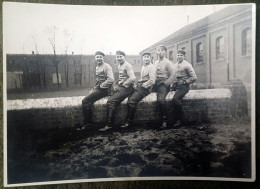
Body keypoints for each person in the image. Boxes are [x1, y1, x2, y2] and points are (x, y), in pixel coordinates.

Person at [99, 50, 136, 131]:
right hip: (122, 86)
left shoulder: (128, 65)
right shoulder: (120, 65)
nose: (119, 58)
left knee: (111, 101)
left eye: (120, 57)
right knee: (110, 98)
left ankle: (109, 125)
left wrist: (124, 84)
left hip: (128, 88)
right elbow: (123, 76)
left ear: (124, 57)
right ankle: (109, 123)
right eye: (117, 57)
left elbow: (133, 78)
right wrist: (119, 81)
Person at [78, 51, 114, 130]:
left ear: (103, 58)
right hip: (99, 88)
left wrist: (101, 86)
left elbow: (111, 79)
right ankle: (88, 123)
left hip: (106, 89)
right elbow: (98, 80)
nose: (99, 59)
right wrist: (93, 89)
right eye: (97, 57)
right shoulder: (97, 67)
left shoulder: (107, 66)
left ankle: (88, 124)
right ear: (95, 58)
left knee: (85, 101)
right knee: (88, 99)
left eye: (100, 57)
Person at [120, 52, 156, 128]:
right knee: (129, 97)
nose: (146, 58)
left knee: (132, 101)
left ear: (150, 58)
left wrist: (143, 85)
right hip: (141, 86)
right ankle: (127, 119)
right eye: (144, 57)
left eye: (147, 57)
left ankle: (130, 122)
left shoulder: (152, 67)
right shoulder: (144, 66)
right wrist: (138, 83)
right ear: (143, 59)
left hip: (146, 88)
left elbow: (152, 81)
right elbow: (143, 78)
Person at [171, 48, 197, 126]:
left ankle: (179, 119)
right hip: (176, 85)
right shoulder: (175, 65)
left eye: (181, 55)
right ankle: (169, 119)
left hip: (184, 86)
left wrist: (185, 82)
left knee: (175, 100)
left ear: (184, 56)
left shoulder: (187, 65)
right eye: (178, 55)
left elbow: (194, 77)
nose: (179, 57)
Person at [153, 45, 175, 128]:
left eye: (162, 50)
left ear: (165, 52)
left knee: (161, 100)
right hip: (155, 83)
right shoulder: (155, 62)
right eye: (158, 50)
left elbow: (173, 75)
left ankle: (164, 120)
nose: (160, 52)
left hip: (163, 84)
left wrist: (166, 83)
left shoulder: (168, 63)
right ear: (157, 52)